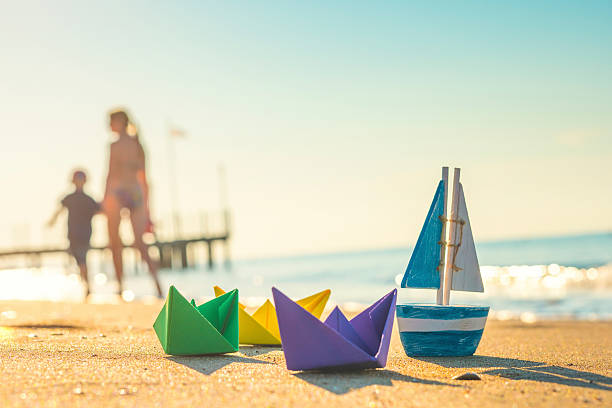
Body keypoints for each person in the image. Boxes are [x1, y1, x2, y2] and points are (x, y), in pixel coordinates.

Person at [104, 109, 162, 297]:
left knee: (137, 242)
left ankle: (157, 285)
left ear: (121, 121)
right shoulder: (121, 144)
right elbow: (142, 179)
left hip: (124, 192)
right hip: (126, 192)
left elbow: (140, 177)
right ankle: (122, 285)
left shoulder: (134, 144)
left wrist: (147, 209)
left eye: (111, 121)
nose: (108, 125)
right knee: (115, 241)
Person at [48, 170, 100, 297]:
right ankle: (86, 284)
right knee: (79, 259)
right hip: (73, 234)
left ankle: (87, 286)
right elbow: (59, 211)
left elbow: (101, 211)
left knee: (81, 259)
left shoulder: (89, 199)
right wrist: (52, 221)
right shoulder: (70, 198)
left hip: (84, 234)